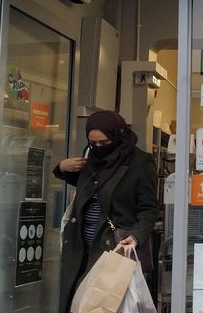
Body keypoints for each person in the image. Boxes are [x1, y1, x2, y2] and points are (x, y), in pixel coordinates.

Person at [55, 110, 159, 313]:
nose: (98, 148)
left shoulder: (140, 162)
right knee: (76, 304)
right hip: (79, 247)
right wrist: (62, 167)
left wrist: (136, 236)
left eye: (103, 142)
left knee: (101, 305)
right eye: (93, 143)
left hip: (113, 250)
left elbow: (149, 209)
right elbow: (89, 187)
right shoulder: (91, 158)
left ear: (117, 135)